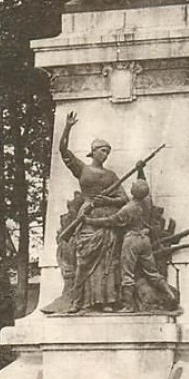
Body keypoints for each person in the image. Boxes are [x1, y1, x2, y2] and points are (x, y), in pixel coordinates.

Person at [59, 111, 128, 312]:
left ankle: (105, 301)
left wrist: (107, 199)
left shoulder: (111, 175)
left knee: (106, 261)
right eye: (102, 151)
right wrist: (68, 127)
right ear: (93, 152)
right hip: (87, 217)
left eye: (107, 152)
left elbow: (124, 199)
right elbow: (63, 150)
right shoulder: (83, 169)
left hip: (106, 219)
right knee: (84, 259)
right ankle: (77, 301)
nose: (105, 155)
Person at [85, 179, 179, 312]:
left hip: (132, 240)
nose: (132, 184)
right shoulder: (146, 203)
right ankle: (170, 294)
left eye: (134, 184)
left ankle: (128, 306)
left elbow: (111, 221)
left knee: (127, 274)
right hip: (145, 240)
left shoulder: (128, 208)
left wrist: (90, 220)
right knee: (152, 272)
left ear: (134, 191)